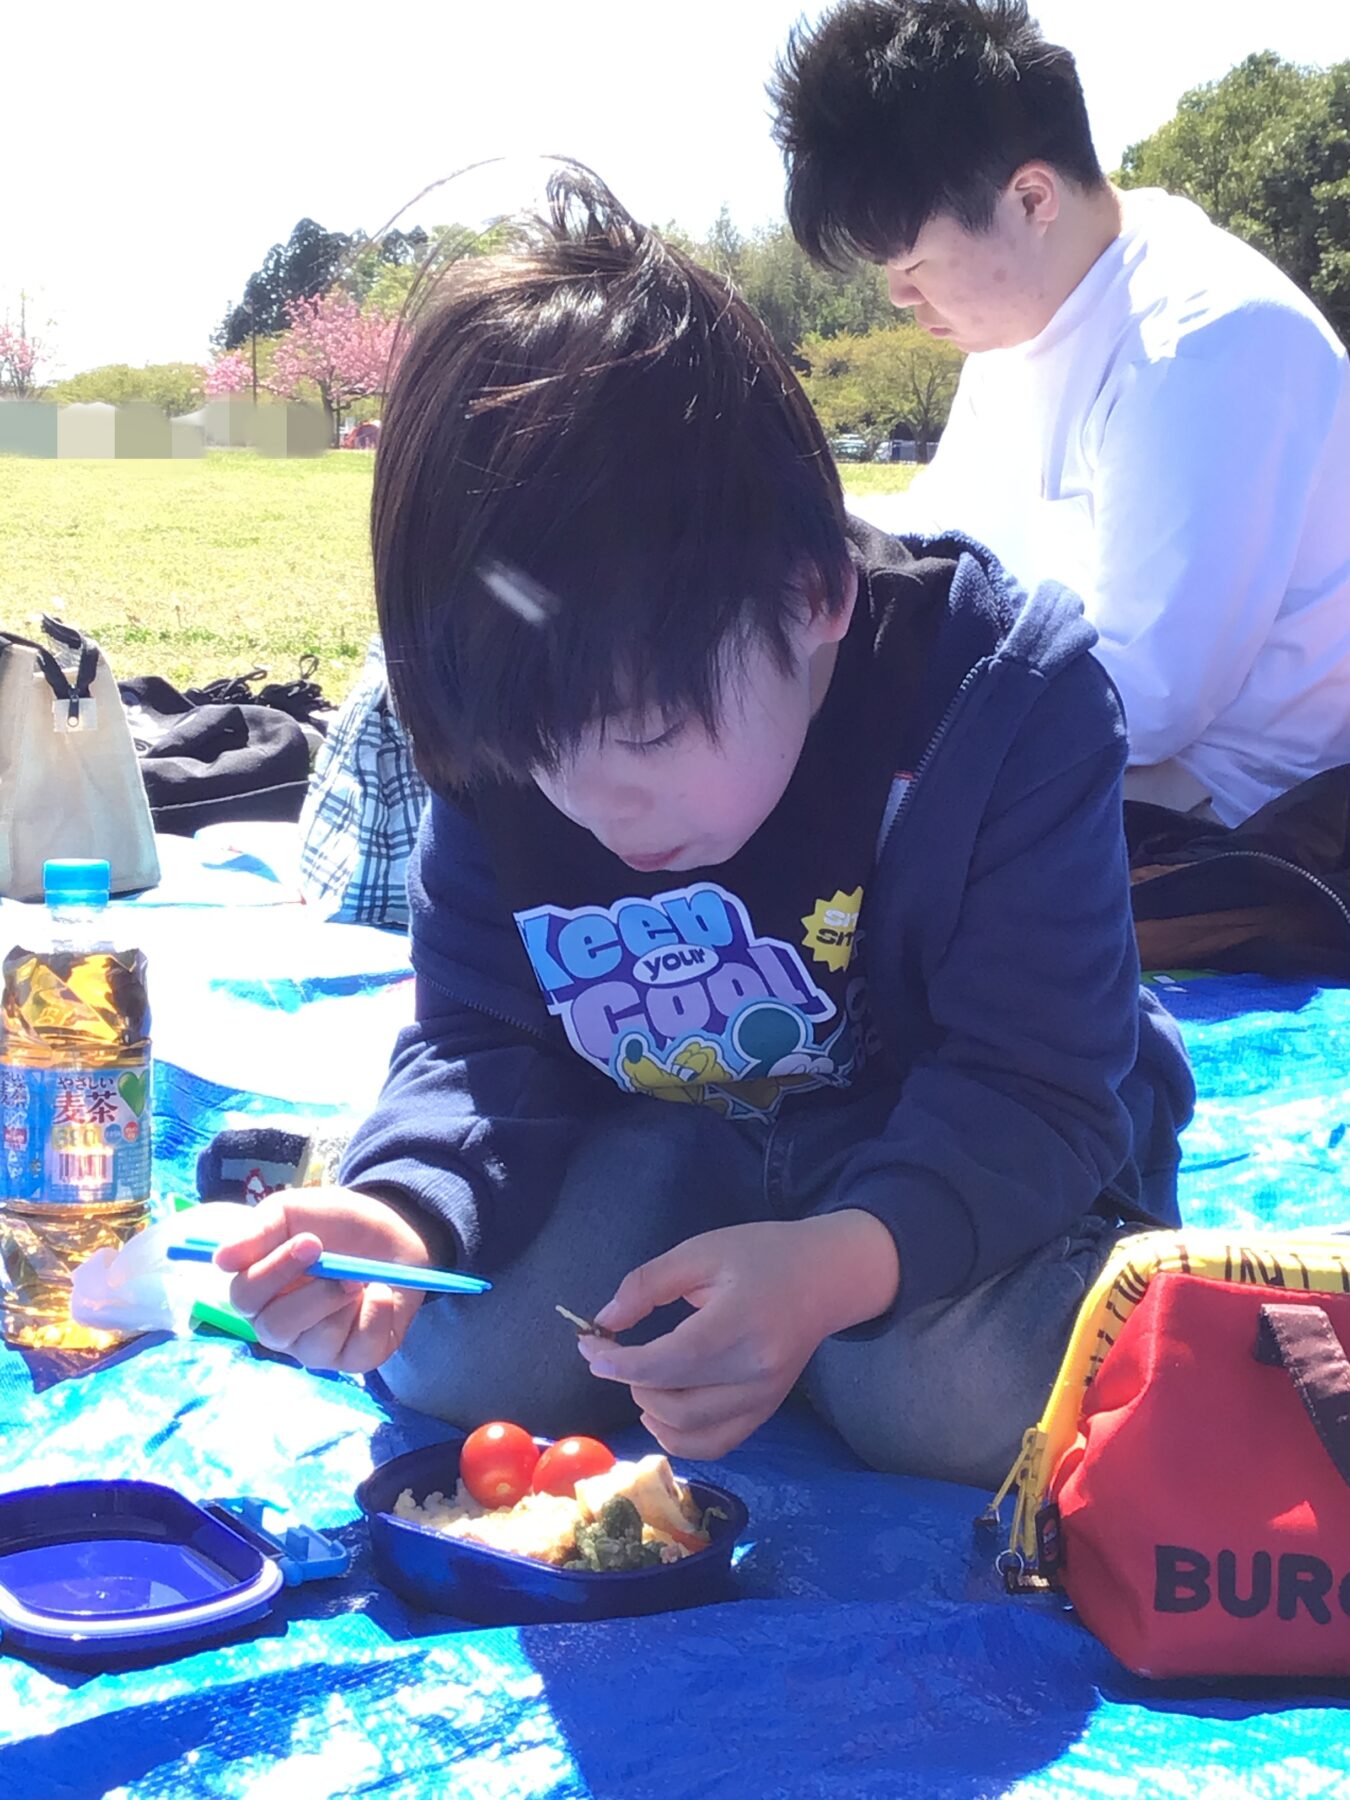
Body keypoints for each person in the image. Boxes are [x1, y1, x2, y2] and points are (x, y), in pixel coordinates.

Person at [218, 171, 1194, 1489]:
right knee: (454, 1358)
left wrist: (833, 1268)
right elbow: (481, 1040)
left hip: (953, 1140)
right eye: (532, 759)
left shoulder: (1004, 702)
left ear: (815, 594)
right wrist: (402, 1214)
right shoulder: (522, 715)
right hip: (667, 1137)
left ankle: (844, 1329)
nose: (592, 806)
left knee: (950, 1399)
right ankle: (755, 1302)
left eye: (645, 737)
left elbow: (1035, 1087)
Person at [770, 0, 1350, 827]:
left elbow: (1145, 699)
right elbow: (936, 544)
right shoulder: (1018, 330)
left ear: (1032, 199)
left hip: (1230, 808)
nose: (898, 296)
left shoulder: (1207, 343)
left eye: (913, 262)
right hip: (1085, 747)